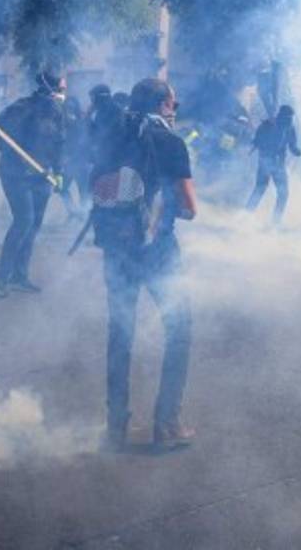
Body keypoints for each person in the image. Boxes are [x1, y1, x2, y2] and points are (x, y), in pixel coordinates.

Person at [92, 77, 197, 450]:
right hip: (157, 252)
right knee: (179, 329)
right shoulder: (170, 142)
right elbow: (189, 207)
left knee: (120, 333)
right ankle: (167, 423)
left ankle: (115, 427)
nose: (175, 110)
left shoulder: (111, 137)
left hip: (115, 250)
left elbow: (96, 185)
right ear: (163, 106)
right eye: (174, 104)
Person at [0, 70, 66, 297]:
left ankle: (19, 275)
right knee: (24, 221)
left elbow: (59, 143)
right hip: (17, 175)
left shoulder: (57, 113)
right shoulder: (21, 108)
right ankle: (1, 275)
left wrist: (59, 172)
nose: (62, 94)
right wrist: (18, 156)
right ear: (48, 89)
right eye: (60, 90)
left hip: (42, 176)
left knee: (34, 226)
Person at [244, 105, 301, 223]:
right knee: (261, 188)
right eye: (287, 117)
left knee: (282, 193)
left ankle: (275, 221)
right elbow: (256, 140)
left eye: (291, 118)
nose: (289, 120)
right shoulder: (268, 125)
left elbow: (292, 145)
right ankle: (245, 216)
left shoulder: (290, 128)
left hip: (278, 165)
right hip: (266, 161)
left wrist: (296, 150)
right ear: (281, 115)